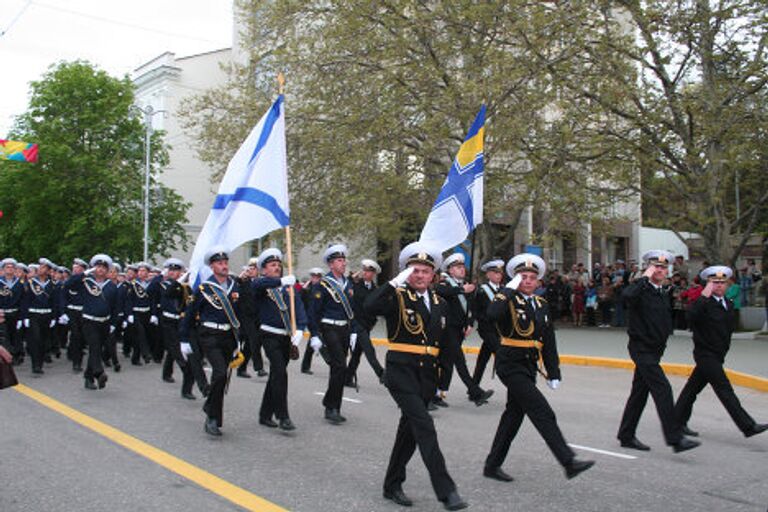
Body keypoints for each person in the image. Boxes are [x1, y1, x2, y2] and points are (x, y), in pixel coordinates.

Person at [364, 242, 468, 511]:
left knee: (409, 431)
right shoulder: (396, 297)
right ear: (406, 273)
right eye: (414, 270)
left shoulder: (440, 303)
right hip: (400, 371)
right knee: (424, 426)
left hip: (426, 376)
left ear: (433, 275)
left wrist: (443, 381)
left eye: (424, 271)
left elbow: (447, 345)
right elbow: (368, 306)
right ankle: (447, 492)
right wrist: (393, 283)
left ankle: (392, 483)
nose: (419, 275)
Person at [483, 253, 594, 483]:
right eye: (523, 277)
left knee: (513, 416)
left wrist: (554, 372)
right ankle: (568, 461)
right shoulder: (507, 300)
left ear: (538, 281)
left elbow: (548, 341)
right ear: (515, 279)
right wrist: (508, 289)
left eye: (533, 277)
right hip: (510, 363)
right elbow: (491, 315)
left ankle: (492, 465)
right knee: (542, 411)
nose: (528, 281)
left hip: (528, 365)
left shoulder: (541, 304)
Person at [616, 250, 700, 453]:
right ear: (648, 268)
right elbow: (626, 298)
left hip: (655, 350)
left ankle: (626, 435)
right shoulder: (640, 289)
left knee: (639, 393)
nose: (660, 270)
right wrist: (643, 278)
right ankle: (675, 438)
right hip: (641, 348)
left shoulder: (662, 292)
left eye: (663, 267)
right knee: (662, 389)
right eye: (656, 266)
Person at [674, 266, 767, 438]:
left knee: (691, 390)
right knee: (725, 389)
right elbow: (691, 317)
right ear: (707, 285)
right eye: (714, 282)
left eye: (722, 283)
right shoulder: (702, 304)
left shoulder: (728, 304)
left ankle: (676, 422)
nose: (719, 286)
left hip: (718, 355)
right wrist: (703, 295)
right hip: (705, 354)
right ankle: (748, 426)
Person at [179, 247, 242, 436]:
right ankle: (213, 419)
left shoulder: (235, 287)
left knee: (221, 380)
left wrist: (240, 340)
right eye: (219, 263)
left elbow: (241, 315)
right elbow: (189, 315)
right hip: (209, 336)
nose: (224, 266)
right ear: (212, 266)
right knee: (220, 373)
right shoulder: (204, 288)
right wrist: (183, 339)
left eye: (225, 262)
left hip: (228, 337)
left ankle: (210, 408)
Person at [252, 248, 306, 431]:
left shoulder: (287, 287)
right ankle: (283, 416)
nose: (277, 268)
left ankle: (264, 414)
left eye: (278, 265)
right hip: (269, 335)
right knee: (280, 373)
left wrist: (301, 328)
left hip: (285, 337)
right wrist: (280, 281)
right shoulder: (262, 285)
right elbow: (256, 287)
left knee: (276, 375)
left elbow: (298, 307)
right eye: (272, 265)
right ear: (264, 270)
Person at [435, 253, 493, 407]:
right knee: (460, 362)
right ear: (450, 270)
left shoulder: (465, 285)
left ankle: (437, 394)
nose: (462, 270)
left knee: (447, 363)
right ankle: (475, 392)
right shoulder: (445, 284)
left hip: (460, 329)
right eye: (457, 267)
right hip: (447, 330)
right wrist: (461, 290)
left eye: (462, 267)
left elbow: (470, 308)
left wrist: (469, 323)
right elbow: (440, 292)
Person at [308, 244, 355, 424]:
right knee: (340, 366)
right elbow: (314, 312)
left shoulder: (347, 283)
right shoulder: (323, 285)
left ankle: (334, 404)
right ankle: (331, 407)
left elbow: (352, 309)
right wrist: (314, 334)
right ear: (331, 264)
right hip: (329, 328)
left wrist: (354, 331)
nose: (343, 264)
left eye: (344, 260)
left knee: (339, 369)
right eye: (339, 261)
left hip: (344, 328)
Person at [65, 254, 118, 389]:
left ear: (107, 270)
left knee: (97, 349)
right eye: (98, 266)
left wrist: (113, 323)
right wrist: (84, 273)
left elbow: (115, 307)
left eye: (103, 267)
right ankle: (99, 373)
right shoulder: (86, 282)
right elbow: (68, 284)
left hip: (104, 322)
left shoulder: (111, 286)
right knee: (94, 346)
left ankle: (88, 379)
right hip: (89, 321)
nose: (100, 270)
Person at [151, 258, 199, 399]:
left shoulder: (185, 285)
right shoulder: (161, 283)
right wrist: (161, 275)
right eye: (170, 270)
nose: (173, 273)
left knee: (173, 351)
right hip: (166, 320)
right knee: (175, 350)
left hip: (180, 321)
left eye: (176, 270)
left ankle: (168, 374)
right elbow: (151, 291)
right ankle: (186, 372)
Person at [345, 259, 385, 388]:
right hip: (356, 324)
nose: (365, 273)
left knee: (357, 354)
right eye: (364, 270)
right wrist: (351, 278)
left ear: (373, 274)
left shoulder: (375, 290)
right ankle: (382, 375)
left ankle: (347, 378)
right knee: (369, 350)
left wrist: (372, 322)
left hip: (367, 325)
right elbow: (344, 287)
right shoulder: (355, 285)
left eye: (369, 271)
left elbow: (376, 308)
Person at [20, 258, 58, 375]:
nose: (40, 269)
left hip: (46, 314)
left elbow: (54, 302)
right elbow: (25, 300)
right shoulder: (31, 283)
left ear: (48, 270)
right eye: (40, 267)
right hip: (34, 314)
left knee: (43, 340)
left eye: (44, 268)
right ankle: (35, 365)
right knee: (35, 339)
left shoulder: (51, 284)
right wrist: (25, 316)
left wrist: (54, 317)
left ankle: (40, 363)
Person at [472, 258, 504, 386]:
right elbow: (476, 311)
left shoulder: (504, 290)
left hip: (500, 331)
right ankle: (514, 387)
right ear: (488, 274)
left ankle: (473, 386)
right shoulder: (482, 291)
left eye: (500, 273)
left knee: (483, 358)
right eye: (495, 273)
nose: (498, 275)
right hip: (487, 329)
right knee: (502, 355)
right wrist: (486, 319)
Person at [124, 262, 155, 365]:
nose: (141, 273)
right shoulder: (133, 284)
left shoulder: (150, 284)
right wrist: (129, 314)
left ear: (147, 272)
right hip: (136, 312)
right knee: (141, 333)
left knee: (141, 336)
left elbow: (153, 301)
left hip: (146, 312)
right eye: (140, 271)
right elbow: (129, 300)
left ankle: (135, 358)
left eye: (144, 271)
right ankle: (146, 353)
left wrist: (154, 314)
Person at [0, 258, 25, 366]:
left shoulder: (20, 283)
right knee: (4, 336)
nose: (9, 269)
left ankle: (16, 355)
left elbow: (23, 301)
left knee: (16, 335)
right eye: (7, 267)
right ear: (3, 269)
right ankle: (7, 356)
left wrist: (22, 317)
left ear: (15, 269)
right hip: (2, 314)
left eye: (12, 267)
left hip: (15, 313)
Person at [300, 267, 324, 374]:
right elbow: (300, 301)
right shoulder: (307, 288)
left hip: (319, 318)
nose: (315, 279)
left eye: (318, 277)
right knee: (317, 338)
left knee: (313, 341)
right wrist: (303, 290)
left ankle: (305, 366)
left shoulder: (321, 289)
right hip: (310, 318)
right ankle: (332, 363)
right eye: (314, 277)